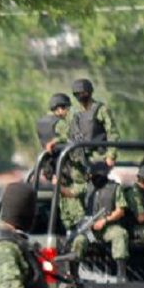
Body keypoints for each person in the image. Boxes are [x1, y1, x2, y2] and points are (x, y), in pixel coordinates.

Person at [71, 161, 130, 282]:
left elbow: (120, 211)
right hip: (90, 229)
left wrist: (105, 221)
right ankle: (74, 274)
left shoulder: (115, 188)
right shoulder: (87, 188)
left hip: (109, 226)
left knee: (120, 234)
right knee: (79, 240)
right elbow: (70, 193)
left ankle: (121, 273)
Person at [38, 93, 87, 230]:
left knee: (67, 217)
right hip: (68, 171)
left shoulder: (43, 123)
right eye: (66, 109)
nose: (67, 112)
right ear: (59, 109)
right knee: (80, 223)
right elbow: (72, 136)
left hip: (54, 170)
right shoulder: (60, 124)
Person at [69, 78, 120, 167]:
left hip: (98, 156)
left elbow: (112, 133)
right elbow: (69, 134)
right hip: (79, 157)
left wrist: (111, 155)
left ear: (89, 92)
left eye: (82, 93)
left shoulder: (101, 110)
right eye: (77, 94)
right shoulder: (75, 113)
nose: (80, 96)